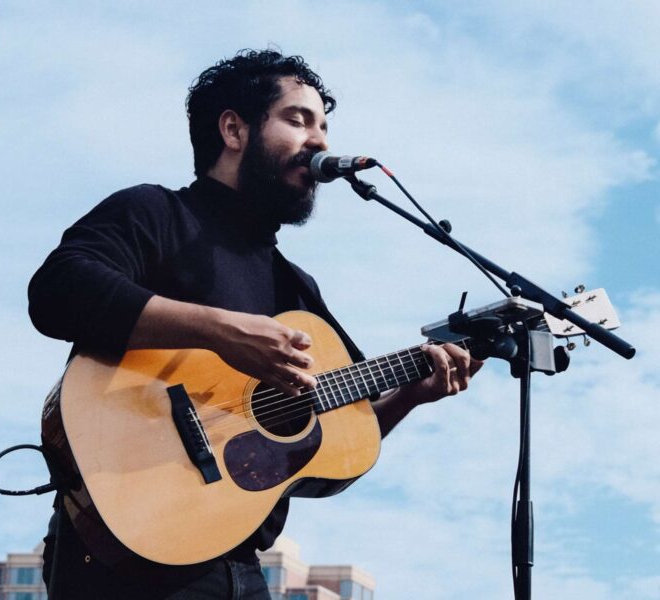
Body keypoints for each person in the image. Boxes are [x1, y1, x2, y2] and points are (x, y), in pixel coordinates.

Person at [28, 49, 482, 600]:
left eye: (324, 126)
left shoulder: (296, 289)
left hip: (238, 564)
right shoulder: (155, 214)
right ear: (233, 129)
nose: (319, 141)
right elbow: (56, 291)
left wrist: (413, 394)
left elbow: (326, 452)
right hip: (124, 551)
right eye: (298, 119)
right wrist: (220, 331)